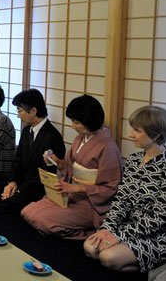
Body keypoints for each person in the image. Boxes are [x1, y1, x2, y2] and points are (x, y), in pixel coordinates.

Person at [21, 94, 123, 240]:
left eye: (76, 122)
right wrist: (58, 162)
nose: (73, 126)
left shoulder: (108, 147)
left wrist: (77, 188)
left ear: (90, 121)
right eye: (73, 122)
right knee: (27, 212)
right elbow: (69, 167)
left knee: (43, 220)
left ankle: (87, 233)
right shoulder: (79, 139)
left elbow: (111, 187)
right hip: (71, 196)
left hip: (90, 203)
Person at [84, 105, 166, 274]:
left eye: (137, 131)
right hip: (127, 225)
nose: (131, 135)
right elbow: (121, 200)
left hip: (156, 234)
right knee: (90, 247)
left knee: (108, 257)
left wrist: (119, 236)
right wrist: (108, 229)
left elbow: (160, 217)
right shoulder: (134, 160)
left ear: (156, 135)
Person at [0, 89, 66, 211]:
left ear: (33, 111)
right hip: (21, 181)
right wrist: (12, 182)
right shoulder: (26, 131)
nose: (18, 115)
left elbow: (47, 174)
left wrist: (19, 190)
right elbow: (17, 159)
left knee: (6, 202)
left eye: (20, 110)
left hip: (36, 187)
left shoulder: (52, 136)